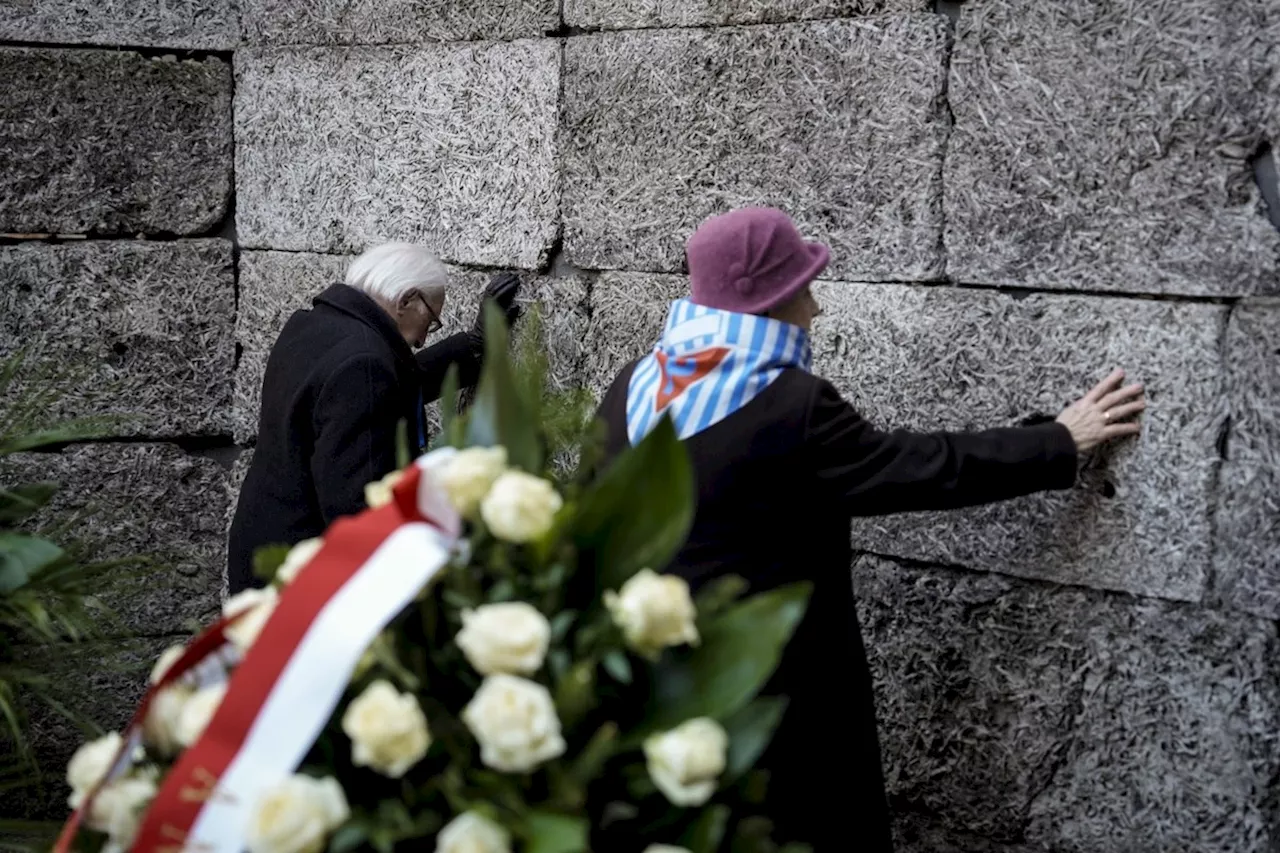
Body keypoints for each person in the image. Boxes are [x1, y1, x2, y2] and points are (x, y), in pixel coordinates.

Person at [593, 208, 1145, 851]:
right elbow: (915, 469)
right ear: (773, 302)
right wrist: (1056, 441)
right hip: (776, 704)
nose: (816, 308)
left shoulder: (632, 386)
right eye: (804, 288)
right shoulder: (791, 406)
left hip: (654, 693)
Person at [227, 243, 521, 595]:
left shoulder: (314, 328)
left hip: (263, 548)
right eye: (431, 320)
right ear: (406, 300)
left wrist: (473, 346)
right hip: (302, 578)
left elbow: (386, 385)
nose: (424, 337)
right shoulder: (364, 365)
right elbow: (356, 506)